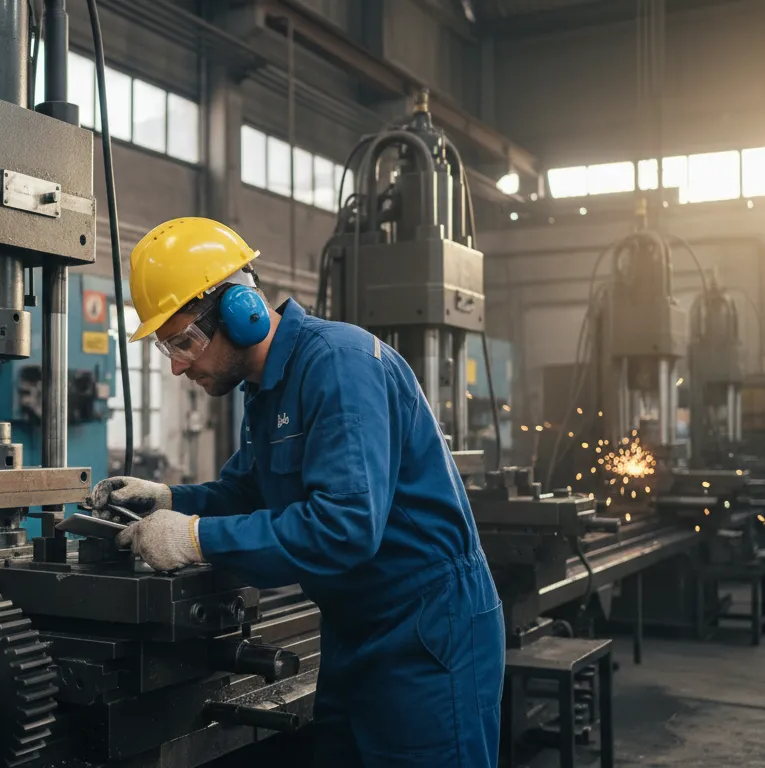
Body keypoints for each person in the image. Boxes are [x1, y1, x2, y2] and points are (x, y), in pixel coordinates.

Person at [89, 217, 505, 767]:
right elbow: (246, 492)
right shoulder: (265, 390)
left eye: (184, 341)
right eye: (168, 348)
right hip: (354, 628)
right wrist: (168, 500)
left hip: (426, 632)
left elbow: (344, 527)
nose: (178, 366)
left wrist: (193, 539)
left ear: (241, 311)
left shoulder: (339, 366)